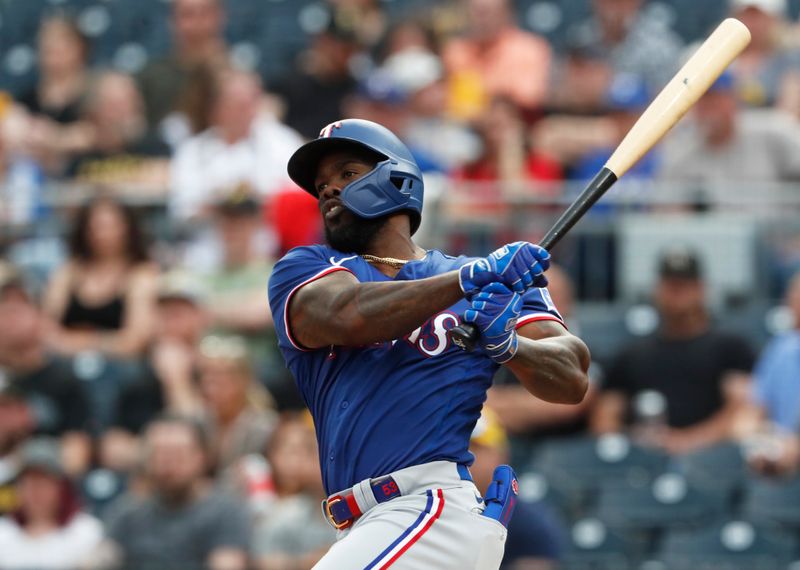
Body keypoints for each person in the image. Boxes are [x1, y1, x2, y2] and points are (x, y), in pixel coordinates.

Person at [267, 118, 590, 568]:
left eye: (347, 173)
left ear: (397, 179)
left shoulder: (493, 279)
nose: (327, 190)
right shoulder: (305, 268)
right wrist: (464, 280)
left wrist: (510, 347)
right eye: (321, 184)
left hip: (429, 509)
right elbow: (346, 313)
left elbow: (572, 377)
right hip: (365, 525)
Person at [590, 248, 756, 454]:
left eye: (685, 285)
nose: (677, 293)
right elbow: (605, 417)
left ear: (701, 289)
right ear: (657, 289)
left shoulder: (730, 347)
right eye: (671, 285)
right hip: (645, 458)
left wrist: (688, 441)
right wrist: (632, 441)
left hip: (712, 457)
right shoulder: (633, 353)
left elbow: (742, 410)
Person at [92, 415, 250, 570]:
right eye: (159, 454)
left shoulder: (225, 512)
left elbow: (227, 563)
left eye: (177, 454)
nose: (167, 464)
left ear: (201, 457)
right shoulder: (128, 512)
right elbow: (101, 558)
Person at [169, 67, 303, 220]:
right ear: (216, 109)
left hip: (268, 238)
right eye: (236, 106)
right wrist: (218, 206)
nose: (246, 113)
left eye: (249, 104)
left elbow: (298, 200)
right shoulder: (193, 150)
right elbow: (181, 210)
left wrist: (257, 199)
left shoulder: (283, 142)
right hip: (208, 238)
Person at [658, 71, 800, 205]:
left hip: (779, 228)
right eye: (700, 101)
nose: (708, 109)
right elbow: (667, 214)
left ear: (733, 98)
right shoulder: (680, 150)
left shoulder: (774, 132)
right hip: (715, 229)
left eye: (715, 99)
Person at [0, 267, 91, 476]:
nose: (10, 320)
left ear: (39, 316)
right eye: (4, 309)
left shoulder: (64, 378)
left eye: (18, 309)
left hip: (43, 480)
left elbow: (76, 453)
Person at [44, 196, 158, 358]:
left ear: (127, 228)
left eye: (110, 226)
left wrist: (81, 341)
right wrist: (105, 341)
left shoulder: (142, 275)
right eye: (95, 227)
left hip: (121, 369)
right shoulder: (67, 272)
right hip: (66, 366)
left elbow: (135, 341)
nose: (102, 234)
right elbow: (46, 329)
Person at [470, 408, 566, 570]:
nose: (466, 457)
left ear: (501, 454)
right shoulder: (422, 504)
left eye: (476, 448)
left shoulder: (530, 524)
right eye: (459, 448)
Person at [0, 438, 103, 570]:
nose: (36, 491)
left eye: (44, 483)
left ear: (61, 487)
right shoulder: (3, 533)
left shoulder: (86, 531)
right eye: (29, 483)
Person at [136, 0, 228, 144]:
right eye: (188, 15)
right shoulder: (151, 76)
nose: (198, 24)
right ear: (172, 21)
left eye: (205, 14)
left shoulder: (236, 76)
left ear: (220, 18)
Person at [252, 412, 335, 569]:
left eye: (307, 450)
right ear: (271, 454)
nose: (296, 460)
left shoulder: (328, 497)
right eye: (290, 451)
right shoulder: (262, 496)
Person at [442, 0, 552, 119]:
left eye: (487, 12)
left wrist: (481, 98)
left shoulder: (530, 49)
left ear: (507, 14)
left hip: (513, 123)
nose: (482, 19)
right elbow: (446, 97)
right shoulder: (456, 49)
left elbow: (528, 98)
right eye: (476, 12)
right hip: (460, 125)